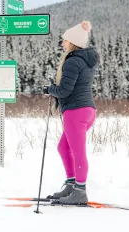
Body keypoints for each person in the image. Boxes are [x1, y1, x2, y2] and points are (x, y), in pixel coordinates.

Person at [43, 20, 100, 205]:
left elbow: (65, 90)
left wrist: (50, 89)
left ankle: (80, 191)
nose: (62, 43)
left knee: (78, 151)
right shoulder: (84, 60)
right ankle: (72, 184)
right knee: (64, 147)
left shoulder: (73, 61)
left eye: (65, 40)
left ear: (73, 42)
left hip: (75, 111)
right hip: (86, 110)